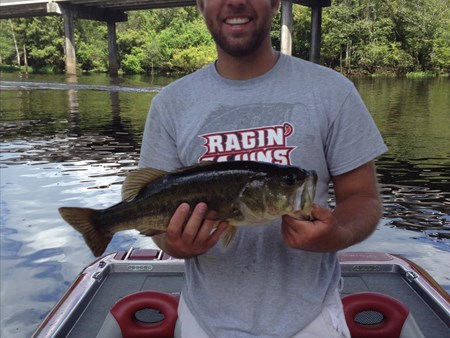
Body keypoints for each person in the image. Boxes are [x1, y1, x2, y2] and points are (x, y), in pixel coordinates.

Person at [139, 0, 387, 337]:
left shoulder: (333, 91)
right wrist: (174, 245)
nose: (235, 2)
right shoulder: (169, 104)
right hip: (204, 321)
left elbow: (363, 199)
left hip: (311, 318)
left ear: (275, 2)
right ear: (200, 4)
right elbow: (153, 219)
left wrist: (336, 233)